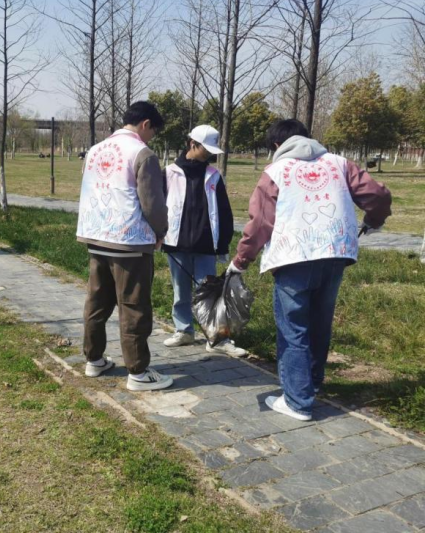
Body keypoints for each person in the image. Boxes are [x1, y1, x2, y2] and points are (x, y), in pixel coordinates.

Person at [228, 119, 392, 421]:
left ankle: (297, 401)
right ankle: (312, 384)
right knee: (319, 323)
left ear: (276, 145)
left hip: (293, 258)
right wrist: (373, 221)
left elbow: (260, 223)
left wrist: (241, 260)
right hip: (335, 254)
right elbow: (378, 196)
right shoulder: (340, 164)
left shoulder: (276, 171)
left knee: (293, 329)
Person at [76, 101, 172, 392]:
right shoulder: (143, 154)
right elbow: (152, 203)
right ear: (145, 124)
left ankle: (94, 359)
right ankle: (138, 371)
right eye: (153, 131)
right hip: (129, 241)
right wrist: (161, 231)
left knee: (97, 301)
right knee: (133, 306)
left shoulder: (95, 150)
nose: (152, 137)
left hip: (96, 236)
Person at [162, 125, 247, 358]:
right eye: (206, 149)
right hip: (176, 242)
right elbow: (159, 206)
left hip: (206, 244)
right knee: (180, 291)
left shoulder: (213, 175)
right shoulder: (169, 173)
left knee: (209, 293)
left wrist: (223, 243)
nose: (209, 154)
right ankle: (183, 330)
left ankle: (217, 338)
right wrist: (159, 235)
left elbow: (224, 211)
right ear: (193, 144)